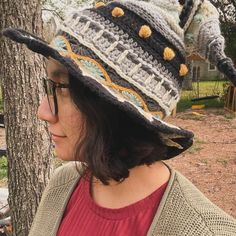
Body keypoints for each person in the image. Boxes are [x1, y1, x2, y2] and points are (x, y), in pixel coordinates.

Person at [2, 0, 236, 235]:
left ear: (116, 105)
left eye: (62, 87)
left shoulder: (206, 230)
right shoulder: (63, 184)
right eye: (51, 86)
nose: (43, 112)